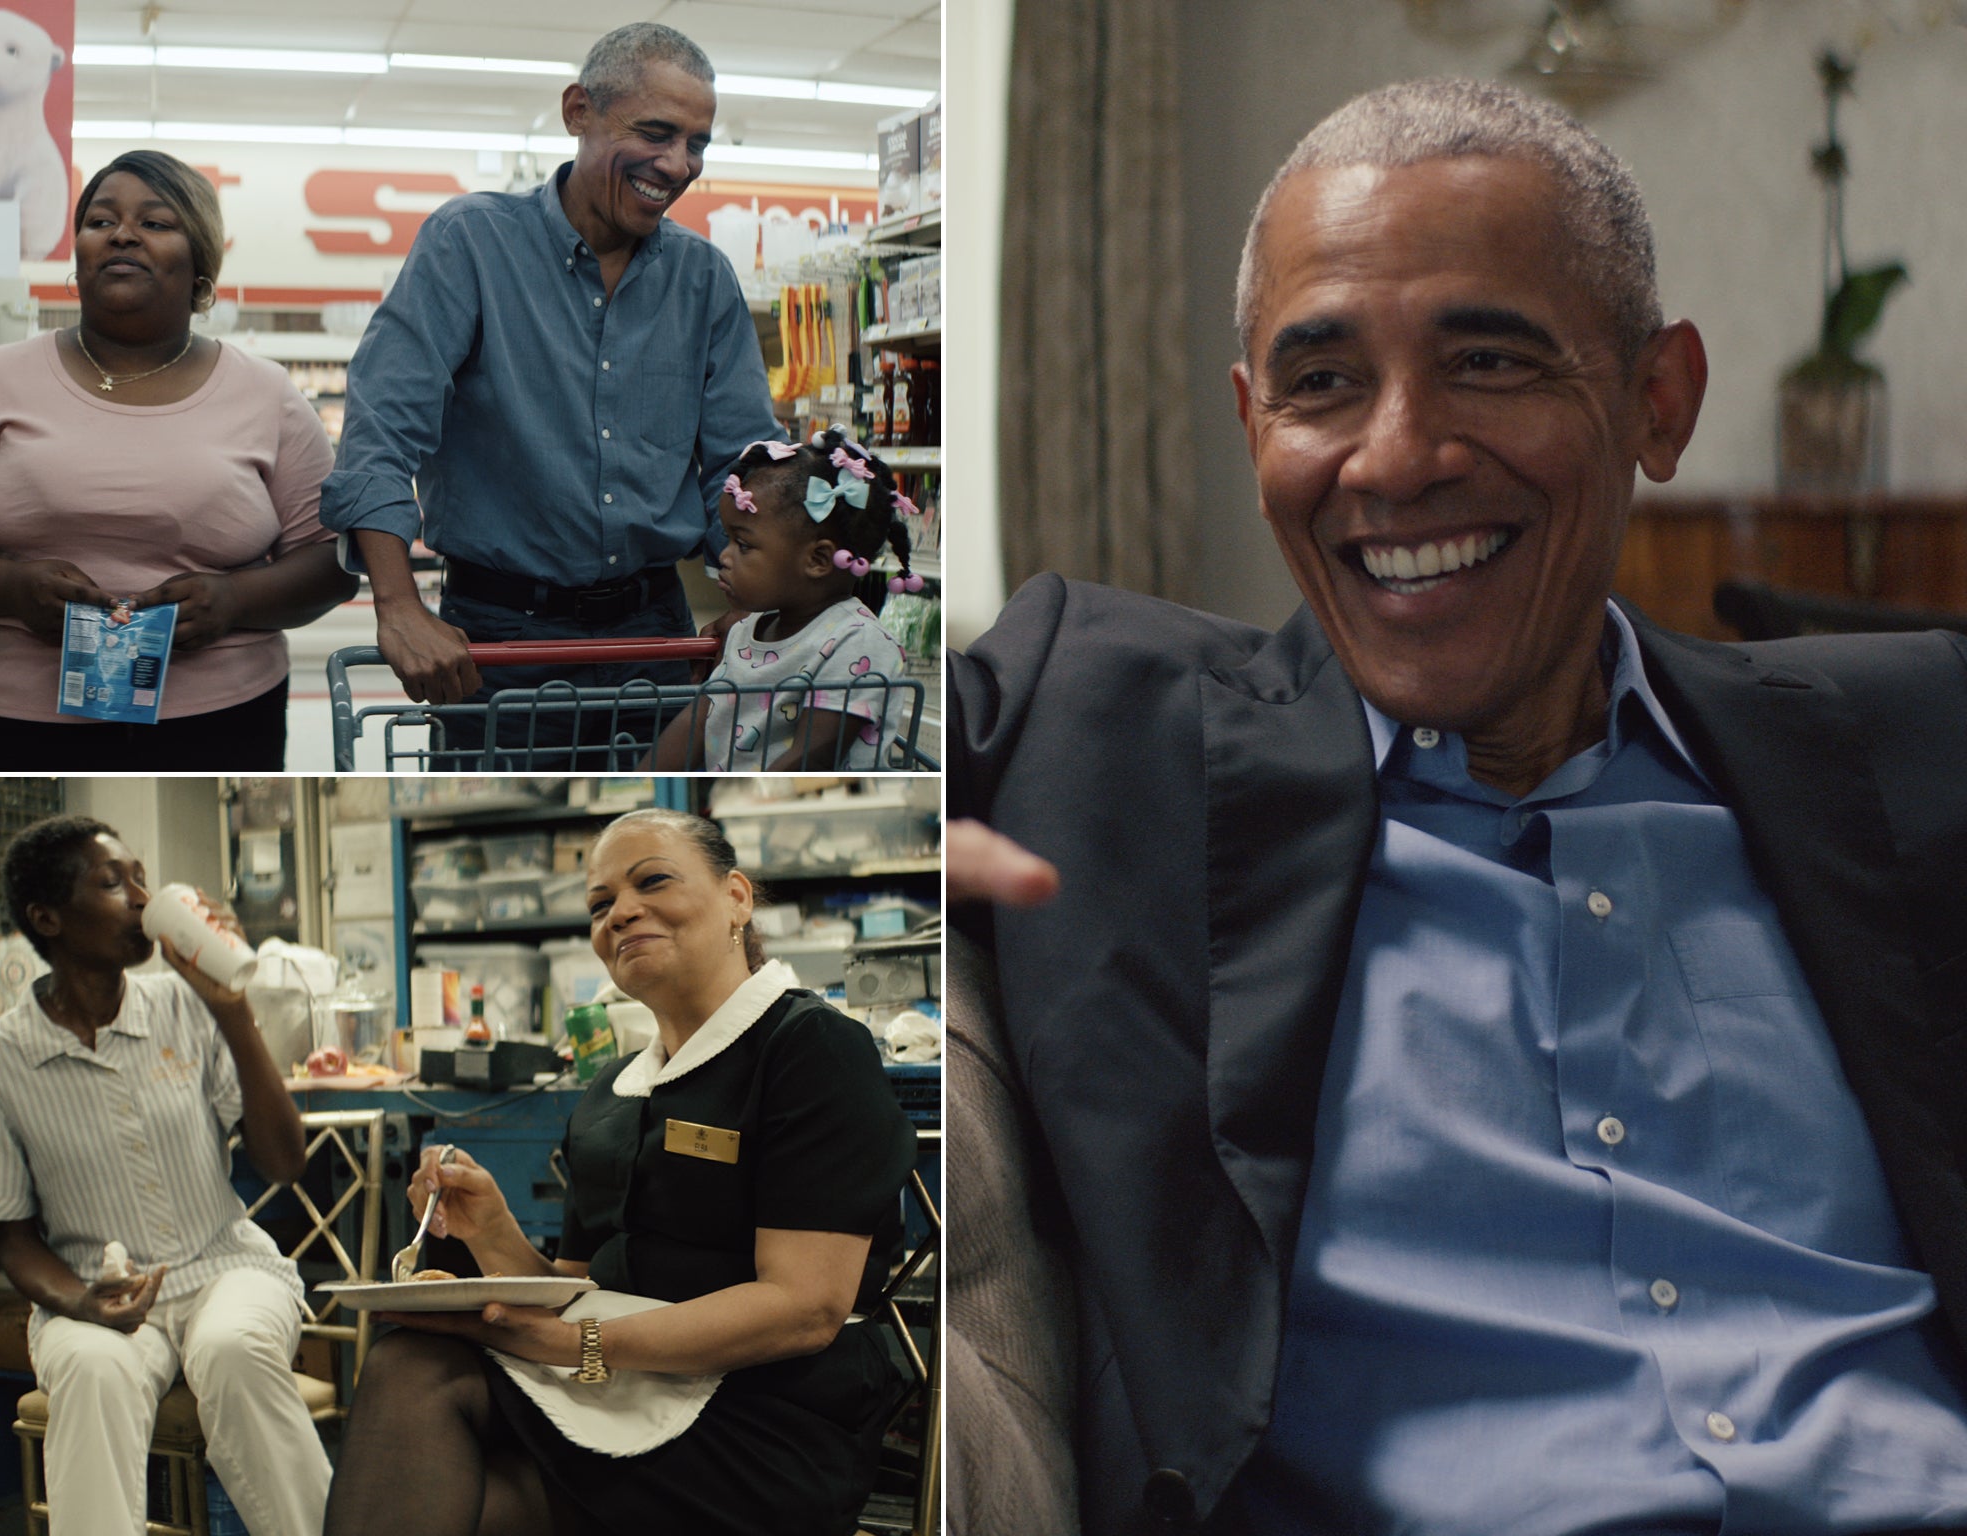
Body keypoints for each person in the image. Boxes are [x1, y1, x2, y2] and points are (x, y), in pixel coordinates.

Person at [947, 78, 1967, 1536]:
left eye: (1489, 361)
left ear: (1657, 402)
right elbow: (773, 741)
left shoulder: (1910, 729)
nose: (1399, 454)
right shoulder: (1100, 717)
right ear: (1253, 428)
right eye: (1321, 382)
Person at [322, 809, 917, 1536]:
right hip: (620, 1388)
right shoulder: (610, 1091)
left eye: (652, 881)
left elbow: (804, 1308)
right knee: (413, 1365)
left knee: (449, 1467)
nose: (620, 913)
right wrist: (493, 1235)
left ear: (737, 896)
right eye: (600, 905)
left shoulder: (809, 1049)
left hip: (763, 1417)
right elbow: (581, 1285)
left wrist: (580, 1348)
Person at [319, 22, 781, 762]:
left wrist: (762, 606)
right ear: (578, 112)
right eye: (656, 132)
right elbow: (380, 433)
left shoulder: (703, 280)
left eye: (697, 143)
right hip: (499, 638)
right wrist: (398, 606)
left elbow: (743, 467)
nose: (677, 164)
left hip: (655, 635)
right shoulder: (469, 245)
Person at [0, 816, 332, 1536]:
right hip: (95, 1284)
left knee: (232, 1349)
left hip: (225, 1267)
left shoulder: (186, 1006)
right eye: (114, 882)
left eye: (141, 877)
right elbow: (13, 1240)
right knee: (93, 1372)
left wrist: (234, 1013)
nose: (143, 897)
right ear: (46, 918)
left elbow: (284, 1164)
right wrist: (82, 1302)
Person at [0, 150, 355, 771]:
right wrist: (12, 590)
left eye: (155, 223)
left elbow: (332, 561)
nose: (122, 233)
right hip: (22, 720)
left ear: (200, 262)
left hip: (224, 716)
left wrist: (233, 601)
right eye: (101, 221)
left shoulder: (267, 395)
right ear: (79, 255)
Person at [646, 427, 921, 770]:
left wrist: (737, 806)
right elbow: (697, 720)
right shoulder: (745, 631)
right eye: (728, 540)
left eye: (743, 545)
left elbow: (811, 757)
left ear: (817, 560)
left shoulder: (857, 642)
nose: (725, 558)